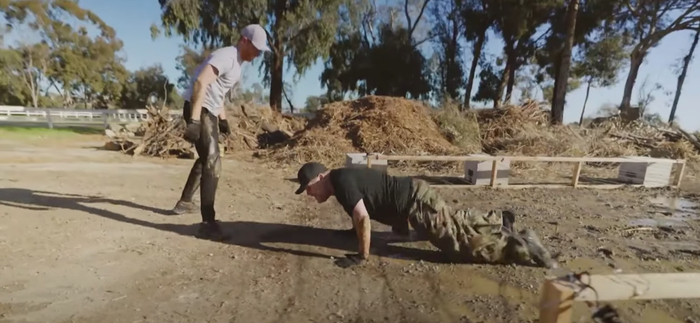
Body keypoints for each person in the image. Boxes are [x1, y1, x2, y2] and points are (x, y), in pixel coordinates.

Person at [294, 162, 558, 269]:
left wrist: (362, 256)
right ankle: (498, 219)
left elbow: (363, 218)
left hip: (416, 204)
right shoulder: (341, 180)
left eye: (308, 188)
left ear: (319, 177)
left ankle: (522, 246)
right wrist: (354, 234)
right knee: (454, 222)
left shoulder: (341, 182)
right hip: (416, 195)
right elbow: (368, 204)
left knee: (459, 246)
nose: (308, 194)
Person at [171, 24, 271, 240]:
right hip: (200, 108)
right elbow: (201, 82)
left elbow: (218, 93)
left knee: (207, 157)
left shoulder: (238, 65)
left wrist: (224, 120)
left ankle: (185, 202)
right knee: (213, 162)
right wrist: (195, 120)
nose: (257, 53)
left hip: (211, 111)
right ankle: (207, 223)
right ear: (244, 40)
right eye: (255, 48)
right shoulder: (226, 56)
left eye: (260, 50)